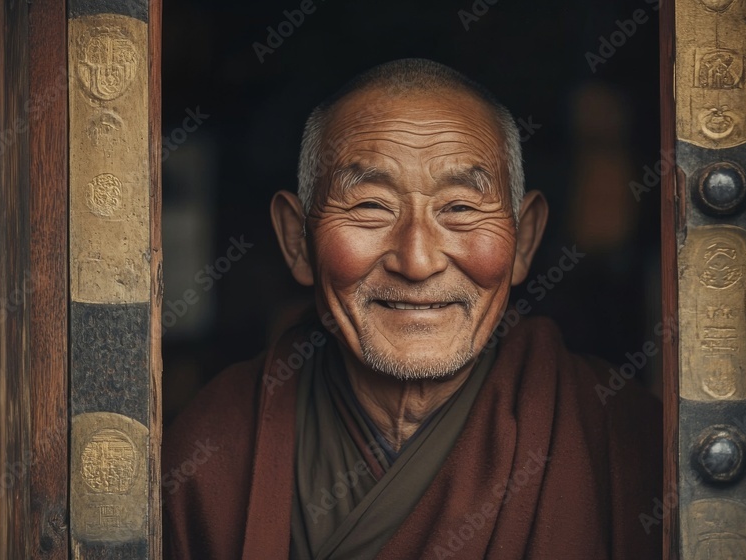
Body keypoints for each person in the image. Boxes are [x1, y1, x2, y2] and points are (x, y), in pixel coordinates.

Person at [163, 58, 661, 560]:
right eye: (371, 207)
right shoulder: (214, 448)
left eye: (461, 209)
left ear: (524, 240)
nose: (418, 261)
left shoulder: (623, 441)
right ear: (298, 241)